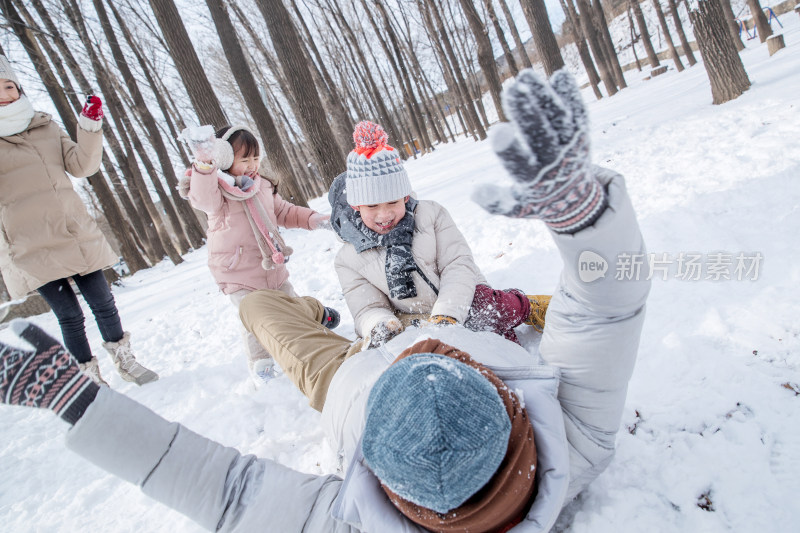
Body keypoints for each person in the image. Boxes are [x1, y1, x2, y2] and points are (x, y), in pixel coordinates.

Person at [0, 69, 649, 532]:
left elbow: (225, 491)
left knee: (259, 309)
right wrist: (584, 213)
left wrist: (79, 403)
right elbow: (604, 309)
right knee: (506, 308)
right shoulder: (573, 439)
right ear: (508, 407)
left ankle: (314, 321)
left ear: (389, 483)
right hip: (389, 334)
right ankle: (334, 320)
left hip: (347, 375)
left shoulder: (347, 518)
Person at [0, 55, 157, 386]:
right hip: (33, 244)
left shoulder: (45, 126)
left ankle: (125, 360)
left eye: (9, 85)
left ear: (19, 89)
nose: (5, 93)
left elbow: (82, 165)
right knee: (69, 315)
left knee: (103, 301)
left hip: (74, 231)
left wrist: (89, 126)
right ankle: (88, 377)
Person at [329, 121, 549, 347]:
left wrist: (448, 314)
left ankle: (526, 307)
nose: (384, 214)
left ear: (405, 197)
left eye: (392, 202)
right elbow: (367, 307)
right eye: (372, 206)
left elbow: (458, 264)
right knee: (472, 351)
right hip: (416, 319)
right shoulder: (347, 259)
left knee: (489, 316)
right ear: (357, 207)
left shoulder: (431, 214)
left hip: (465, 295)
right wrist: (380, 325)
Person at [179, 124, 339, 384]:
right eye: (244, 159)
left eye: (255, 158)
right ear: (224, 159)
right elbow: (202, 198)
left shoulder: (261, 185)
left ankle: (317, 318)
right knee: (256, 321)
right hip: (238, 274)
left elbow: (284, 212)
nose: (252, 165)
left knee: (292, 305)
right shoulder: (217, 191)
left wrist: (315, 219)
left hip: (271, 268)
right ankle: (262, 367)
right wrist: (204, 164)